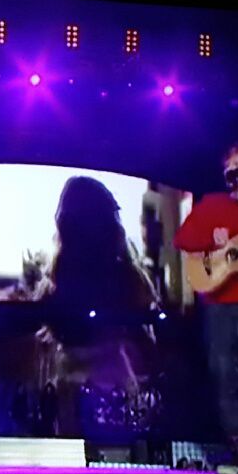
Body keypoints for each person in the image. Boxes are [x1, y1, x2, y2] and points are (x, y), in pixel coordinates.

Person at [173, 144, 238, 468]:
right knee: (224, 377)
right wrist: (213, 241)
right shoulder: (212, 204)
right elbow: (182, 240)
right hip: (219, 304)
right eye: (228, 166)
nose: (231, 171)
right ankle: (237, 447)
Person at [37, 176, 158, 436]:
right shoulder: (127, 275)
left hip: (79, 384)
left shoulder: (58, 279)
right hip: (112, 383)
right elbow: (148, 345)